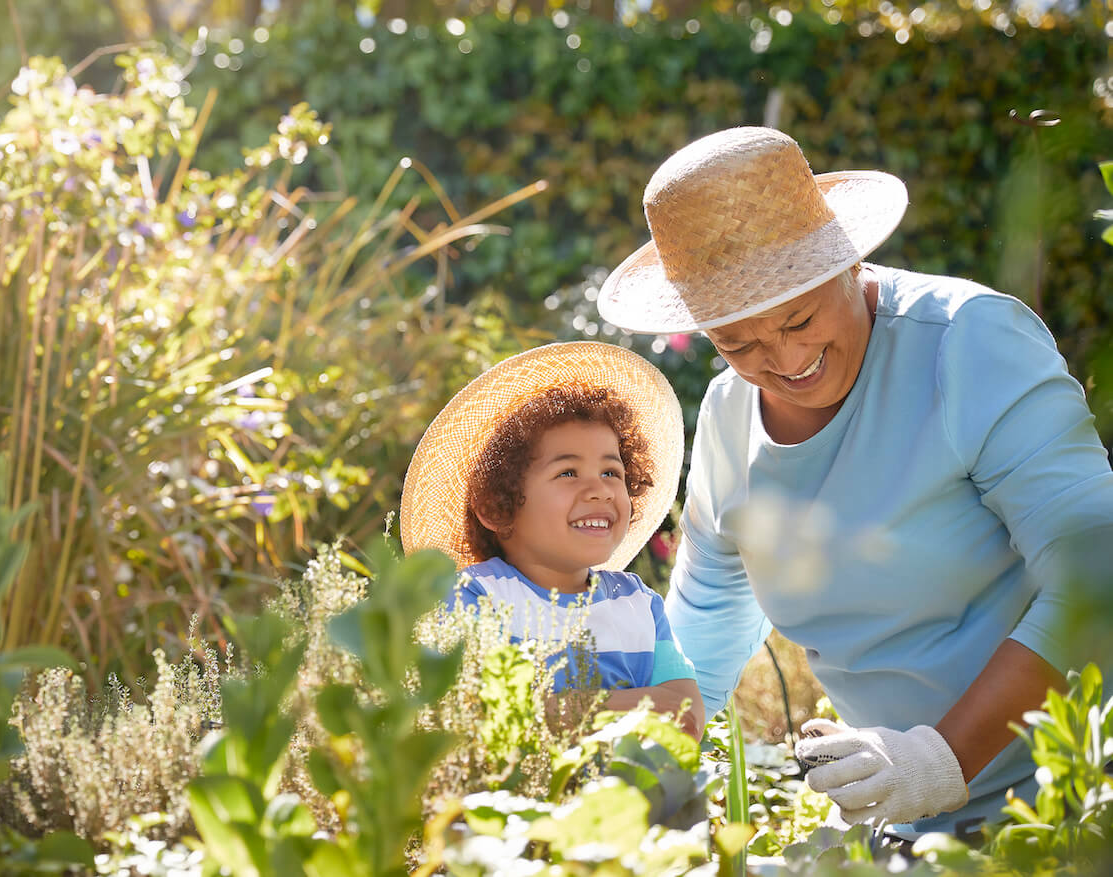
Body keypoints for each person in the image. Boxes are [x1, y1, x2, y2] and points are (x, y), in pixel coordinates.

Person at [595, 126, 1113, 839]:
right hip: (911, 823)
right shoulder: (727, 417)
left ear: (847, 258)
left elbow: (1096, 574)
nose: (785, 358)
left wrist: (936, 759)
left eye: (799, 318)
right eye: (737, 343)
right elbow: (709, 617)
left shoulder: (967, 345)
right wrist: (643, 773)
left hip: (1079, 796)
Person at [399, 342, 704, 739]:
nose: (600, 491)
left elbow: (686, 716)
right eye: (568, 474)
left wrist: (564, 708)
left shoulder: (639, 603)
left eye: (613, 473)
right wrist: (638, 705)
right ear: (497, 507)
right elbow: (483, 715)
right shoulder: (475, 597)